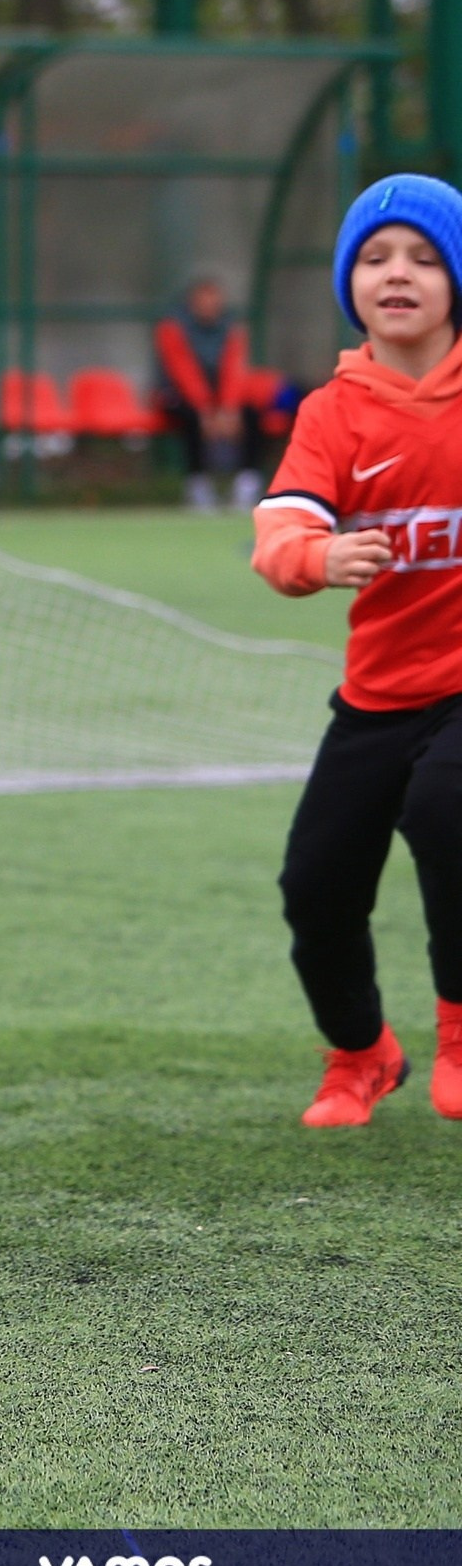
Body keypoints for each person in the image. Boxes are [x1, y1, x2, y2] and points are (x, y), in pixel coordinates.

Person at [253, 173, 462, 1128]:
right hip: (378, 696)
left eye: (425, 256)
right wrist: (315, 553)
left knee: (447, 805)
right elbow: (281, 528)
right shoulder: (333, 412)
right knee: (315, 885)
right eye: (376, 257)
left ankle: (459, 1036)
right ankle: (362, 1053)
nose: (399, 273)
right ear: (350, 283)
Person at [157, 277, 267, 512]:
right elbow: (183, 370)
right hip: (178, 396)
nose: (210, 305)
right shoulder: (173, 327)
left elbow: (233, 369)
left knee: (251, 414)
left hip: (220, 401)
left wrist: (229, 409)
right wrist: (205, 409)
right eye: (203, 300)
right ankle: (198, 485)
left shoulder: (231, 327)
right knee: (192, 419)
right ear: (192, 302)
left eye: (214, 299)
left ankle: (247, 483)